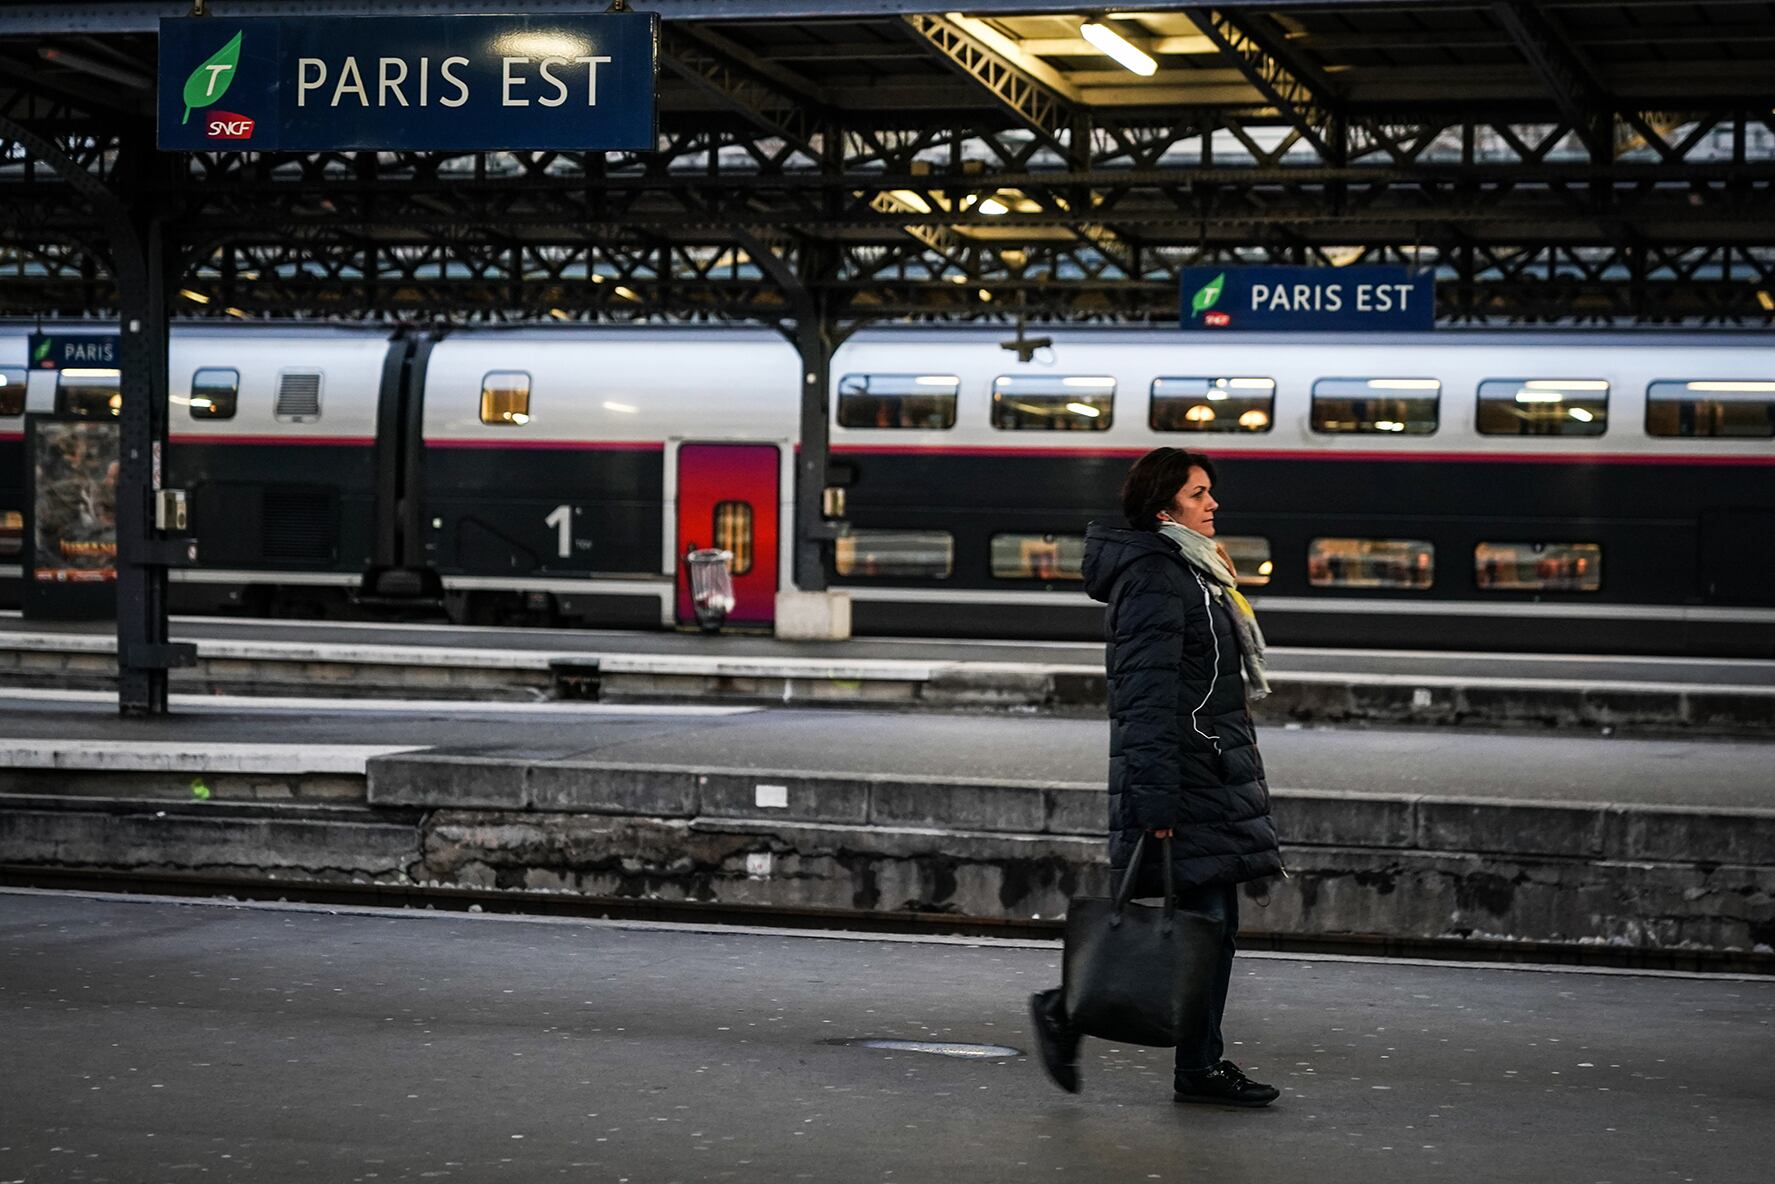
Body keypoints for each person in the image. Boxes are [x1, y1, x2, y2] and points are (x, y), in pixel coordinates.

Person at [1030, 446, 1283, 1107]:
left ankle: (1197, 1066)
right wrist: (1155, 801)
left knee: (1214, 929)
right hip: (1185, 777)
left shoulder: (1198, 575)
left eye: (1209, 493)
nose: (1213, 504)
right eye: (1199, 494)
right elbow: (1145, 699)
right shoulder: (1154, 580)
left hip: (1211, 772)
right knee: (1202, 928)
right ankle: (1069, 1011)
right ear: (1164, 507)